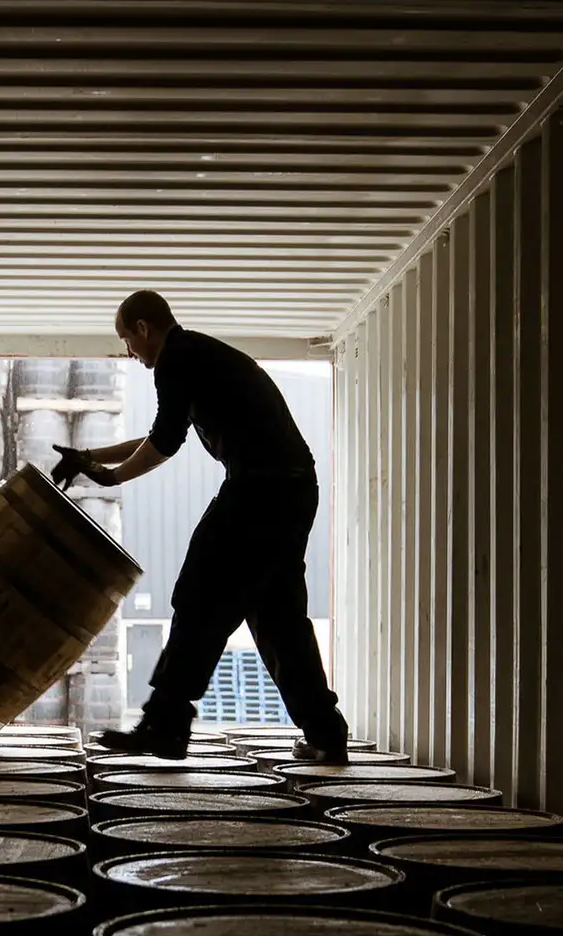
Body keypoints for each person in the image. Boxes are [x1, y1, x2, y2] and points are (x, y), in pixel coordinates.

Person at [52, 290, 350, 762]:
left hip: (260, 488)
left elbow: (165, 444)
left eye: (127, 340)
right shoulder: (198, 356)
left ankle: (166, 723)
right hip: (290, 489)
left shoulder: (176, 358)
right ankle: (326, 733)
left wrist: (109, 477)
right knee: (277, 617)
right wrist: (89, 458)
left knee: (199, 593)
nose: (129, 354)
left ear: (144, 329)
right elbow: (157, 435)